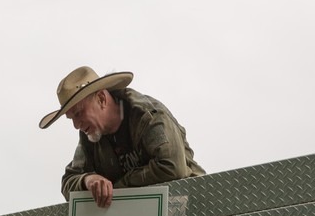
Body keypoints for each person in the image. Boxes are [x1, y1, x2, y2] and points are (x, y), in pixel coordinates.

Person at [39, 66, 204, 208]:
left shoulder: (148, 116)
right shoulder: (89, 135)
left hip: (190, 209)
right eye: (71, 118)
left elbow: (172, 168)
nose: (76, 125)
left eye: (79, 113)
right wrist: (88, 180)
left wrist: (115, 188)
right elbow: (68, 182)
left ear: (102, 99)